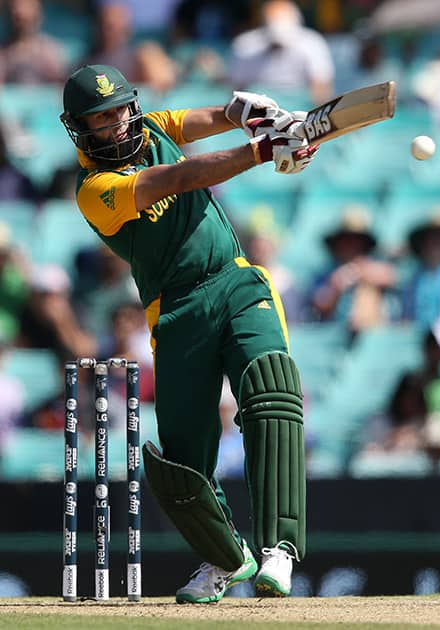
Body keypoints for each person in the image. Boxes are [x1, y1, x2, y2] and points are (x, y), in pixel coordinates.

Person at [60, 63, 317, 602]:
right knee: (181, 461)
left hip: (236, 281)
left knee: (271, 389)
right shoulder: (95, 190)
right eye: (101, 118)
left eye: (120, 110)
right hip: (175, 311)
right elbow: (179, 178)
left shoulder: (150, 126)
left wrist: (244, 114)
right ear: (79, 127)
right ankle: (225, 557)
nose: (118, 124)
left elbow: (200, 120)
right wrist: (262, 151)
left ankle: (279, 549)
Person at [308, 206, 398, 334]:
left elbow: (391, 276)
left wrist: (357, 273)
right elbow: (319, 304)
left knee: (368, 290)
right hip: (333, 336)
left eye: (356, 239)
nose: (350, 245)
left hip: (373, 333)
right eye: (345, 239)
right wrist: (336, 287)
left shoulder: (374, 268)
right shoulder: (327, 274)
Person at [227, 0, 335, 104]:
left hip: (300, 106)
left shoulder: (313, 43)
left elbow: (321, 87)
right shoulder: (245, 45)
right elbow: (237, 88)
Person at [0, 0, 68, 84]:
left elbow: (61, 84)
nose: (20, 11)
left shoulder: (50, 50)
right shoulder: (3, 52)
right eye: (17, 18)